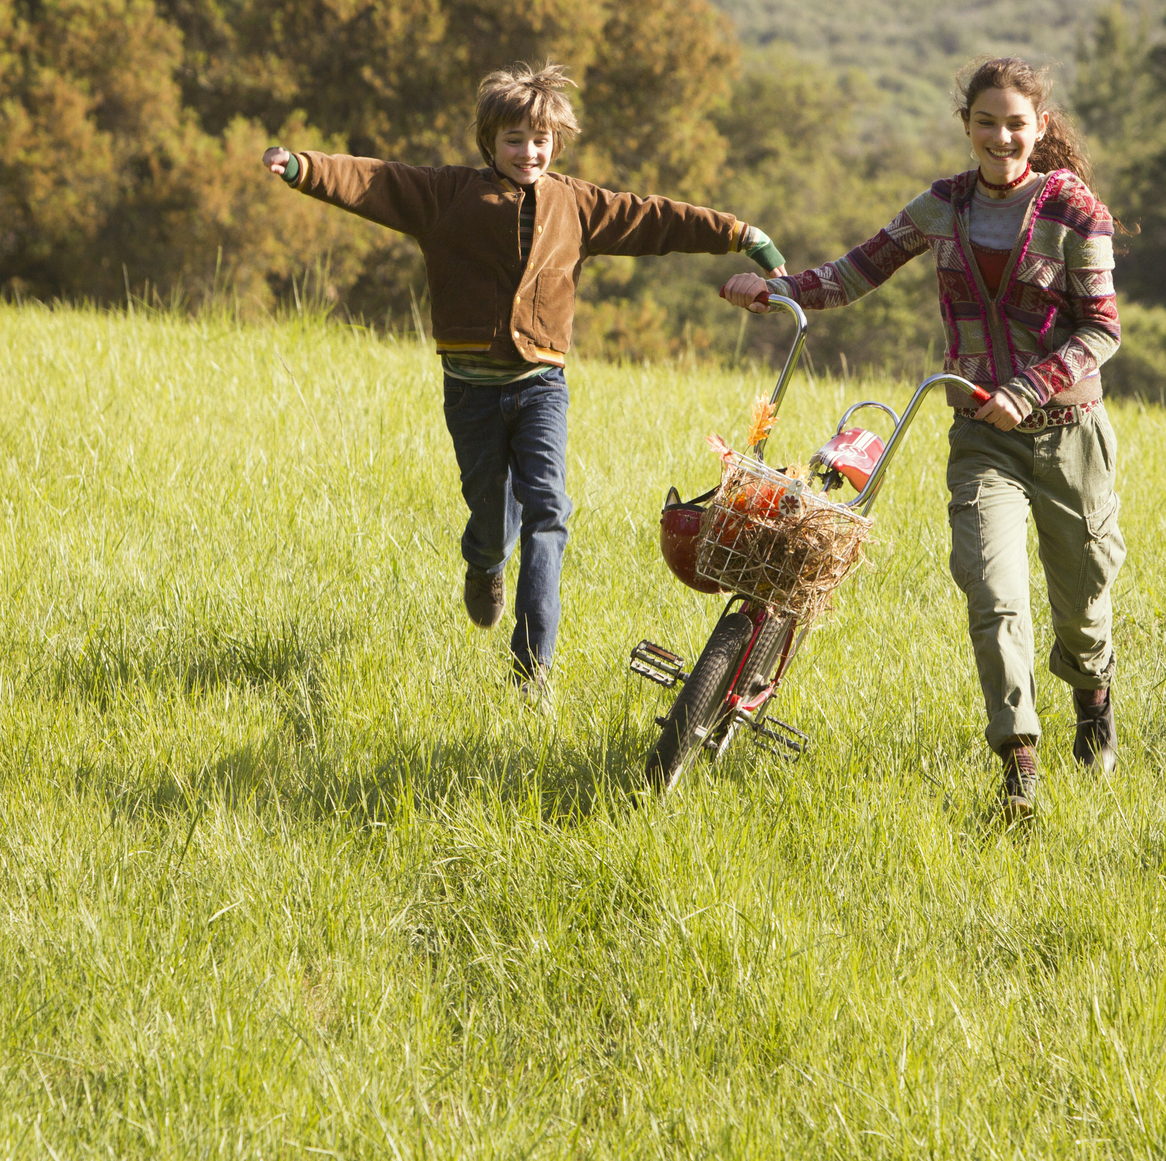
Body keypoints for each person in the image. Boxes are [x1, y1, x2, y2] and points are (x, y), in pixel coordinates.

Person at [264, 62, 786, 695]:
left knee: (549, 510)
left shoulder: (579, 204)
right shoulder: (446, 195)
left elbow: (656, 218)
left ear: (556, 143)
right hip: (472, 389)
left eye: (540, 140)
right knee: (491, 514)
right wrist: (302, 167)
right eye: (515, 140)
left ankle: (532, 668)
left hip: (541, 385)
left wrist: (740, 234)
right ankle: (484, 561)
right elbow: (375, 180)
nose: (528, 152)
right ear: (491, 142)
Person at [719, 56, 1126, 813]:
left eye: (1016, 124)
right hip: (982, 438)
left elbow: (1103, 329)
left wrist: (1030, 386)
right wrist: (776, 290)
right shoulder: (941, 208)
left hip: (1070, 432)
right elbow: (854, 272)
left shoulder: (1076, 212)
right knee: (991, 589)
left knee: (1084, 603)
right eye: (986, 123)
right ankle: (1019, 761)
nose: (1001, 137)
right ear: (965, 126)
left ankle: (1093, 695)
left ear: (1039, 128)